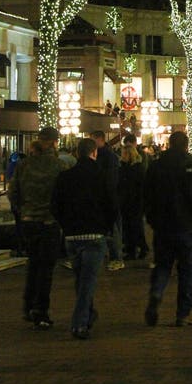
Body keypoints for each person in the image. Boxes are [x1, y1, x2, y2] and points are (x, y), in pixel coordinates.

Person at [51, 138, 119, 339]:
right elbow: (112, 205)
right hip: (94, 234)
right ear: (94, 153)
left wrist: (66, 225)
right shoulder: (102, 176)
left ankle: (88, 313)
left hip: (72, 235)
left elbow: (55, 206)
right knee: (87, 282)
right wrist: (106, 227)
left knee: (81, 279)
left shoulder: (64, 177)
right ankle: (79, 323)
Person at [143, 131, 192, 327]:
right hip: (187, 225)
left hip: (163, 226)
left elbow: (147, 196)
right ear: (187, 146)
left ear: (169, 144)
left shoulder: (156, 166)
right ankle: (183, 314)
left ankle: (156, 292)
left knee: (162, 265)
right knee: (187, 270)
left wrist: (152, 220)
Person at [7, 127, 64, 329]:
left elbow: (13, 191)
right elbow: (63, 196)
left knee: (33, 264)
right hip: (49, 222)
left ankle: (28, 305)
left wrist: (22, 209)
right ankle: (41, 310)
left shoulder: (24, 165)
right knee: (46, 269)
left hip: (29, 220)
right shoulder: (58, 165)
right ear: (54, 142)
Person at [90, 131, 124, 271]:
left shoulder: (107, 157)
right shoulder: (107, 156)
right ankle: (111, 254)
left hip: (108, 197)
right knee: (111, 228)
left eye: (93, 140)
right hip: (108, 196)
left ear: (100, 139)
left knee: (112, 229)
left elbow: (110, 179)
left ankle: (116, 257)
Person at [118, 143, 147, 260]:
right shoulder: (132, 167)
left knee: (133, 226)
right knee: (133, 226)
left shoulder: (134, 168)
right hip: (130, 201)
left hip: (133, 201)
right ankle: (140, 247)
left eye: (124, 154)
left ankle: (133, 249)